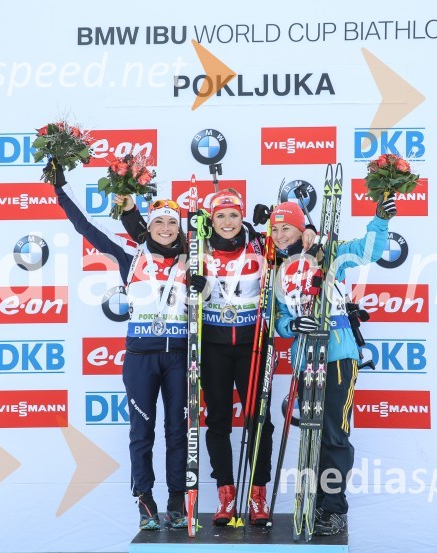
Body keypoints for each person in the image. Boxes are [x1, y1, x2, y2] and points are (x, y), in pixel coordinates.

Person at [115, 189, 315, 526]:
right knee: (218, 421)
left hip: (254, 345)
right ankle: (226, 494)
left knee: (259, 422)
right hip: (213, 348)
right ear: (211, 220)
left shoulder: (260, 245)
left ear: (242, 218)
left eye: (233, 215)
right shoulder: (196, 248)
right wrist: (129, 207)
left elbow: (293, 245)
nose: (227, 222)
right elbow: (150, 236)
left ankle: (258, 495)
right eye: (220, 216)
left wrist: (311, 232)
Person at [49, 161, 189, 531]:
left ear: (180, 228)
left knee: (177, 431)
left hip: (180, 358)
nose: (164, 228)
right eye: (158, 222)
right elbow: (86, 226)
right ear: (149, 227)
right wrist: (61, 188)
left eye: (171, 222)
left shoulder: (194, 262)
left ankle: (177, 501)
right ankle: (145, 501)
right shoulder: (131, 258)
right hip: (141, 359)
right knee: (141, 434)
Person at [272, 194, 397, 536]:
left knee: (333, 435)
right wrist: (291, 326)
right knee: (311, 435)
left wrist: (380, 220)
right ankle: (312, 501)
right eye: (275, 229)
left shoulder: (329, 255)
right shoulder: (279, 271)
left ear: (301, 229)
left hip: (338, 356)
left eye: (287, 228)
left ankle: (333, 508)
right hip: (305, 359)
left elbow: (367, 250)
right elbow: (280, 319)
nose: (281, 234)